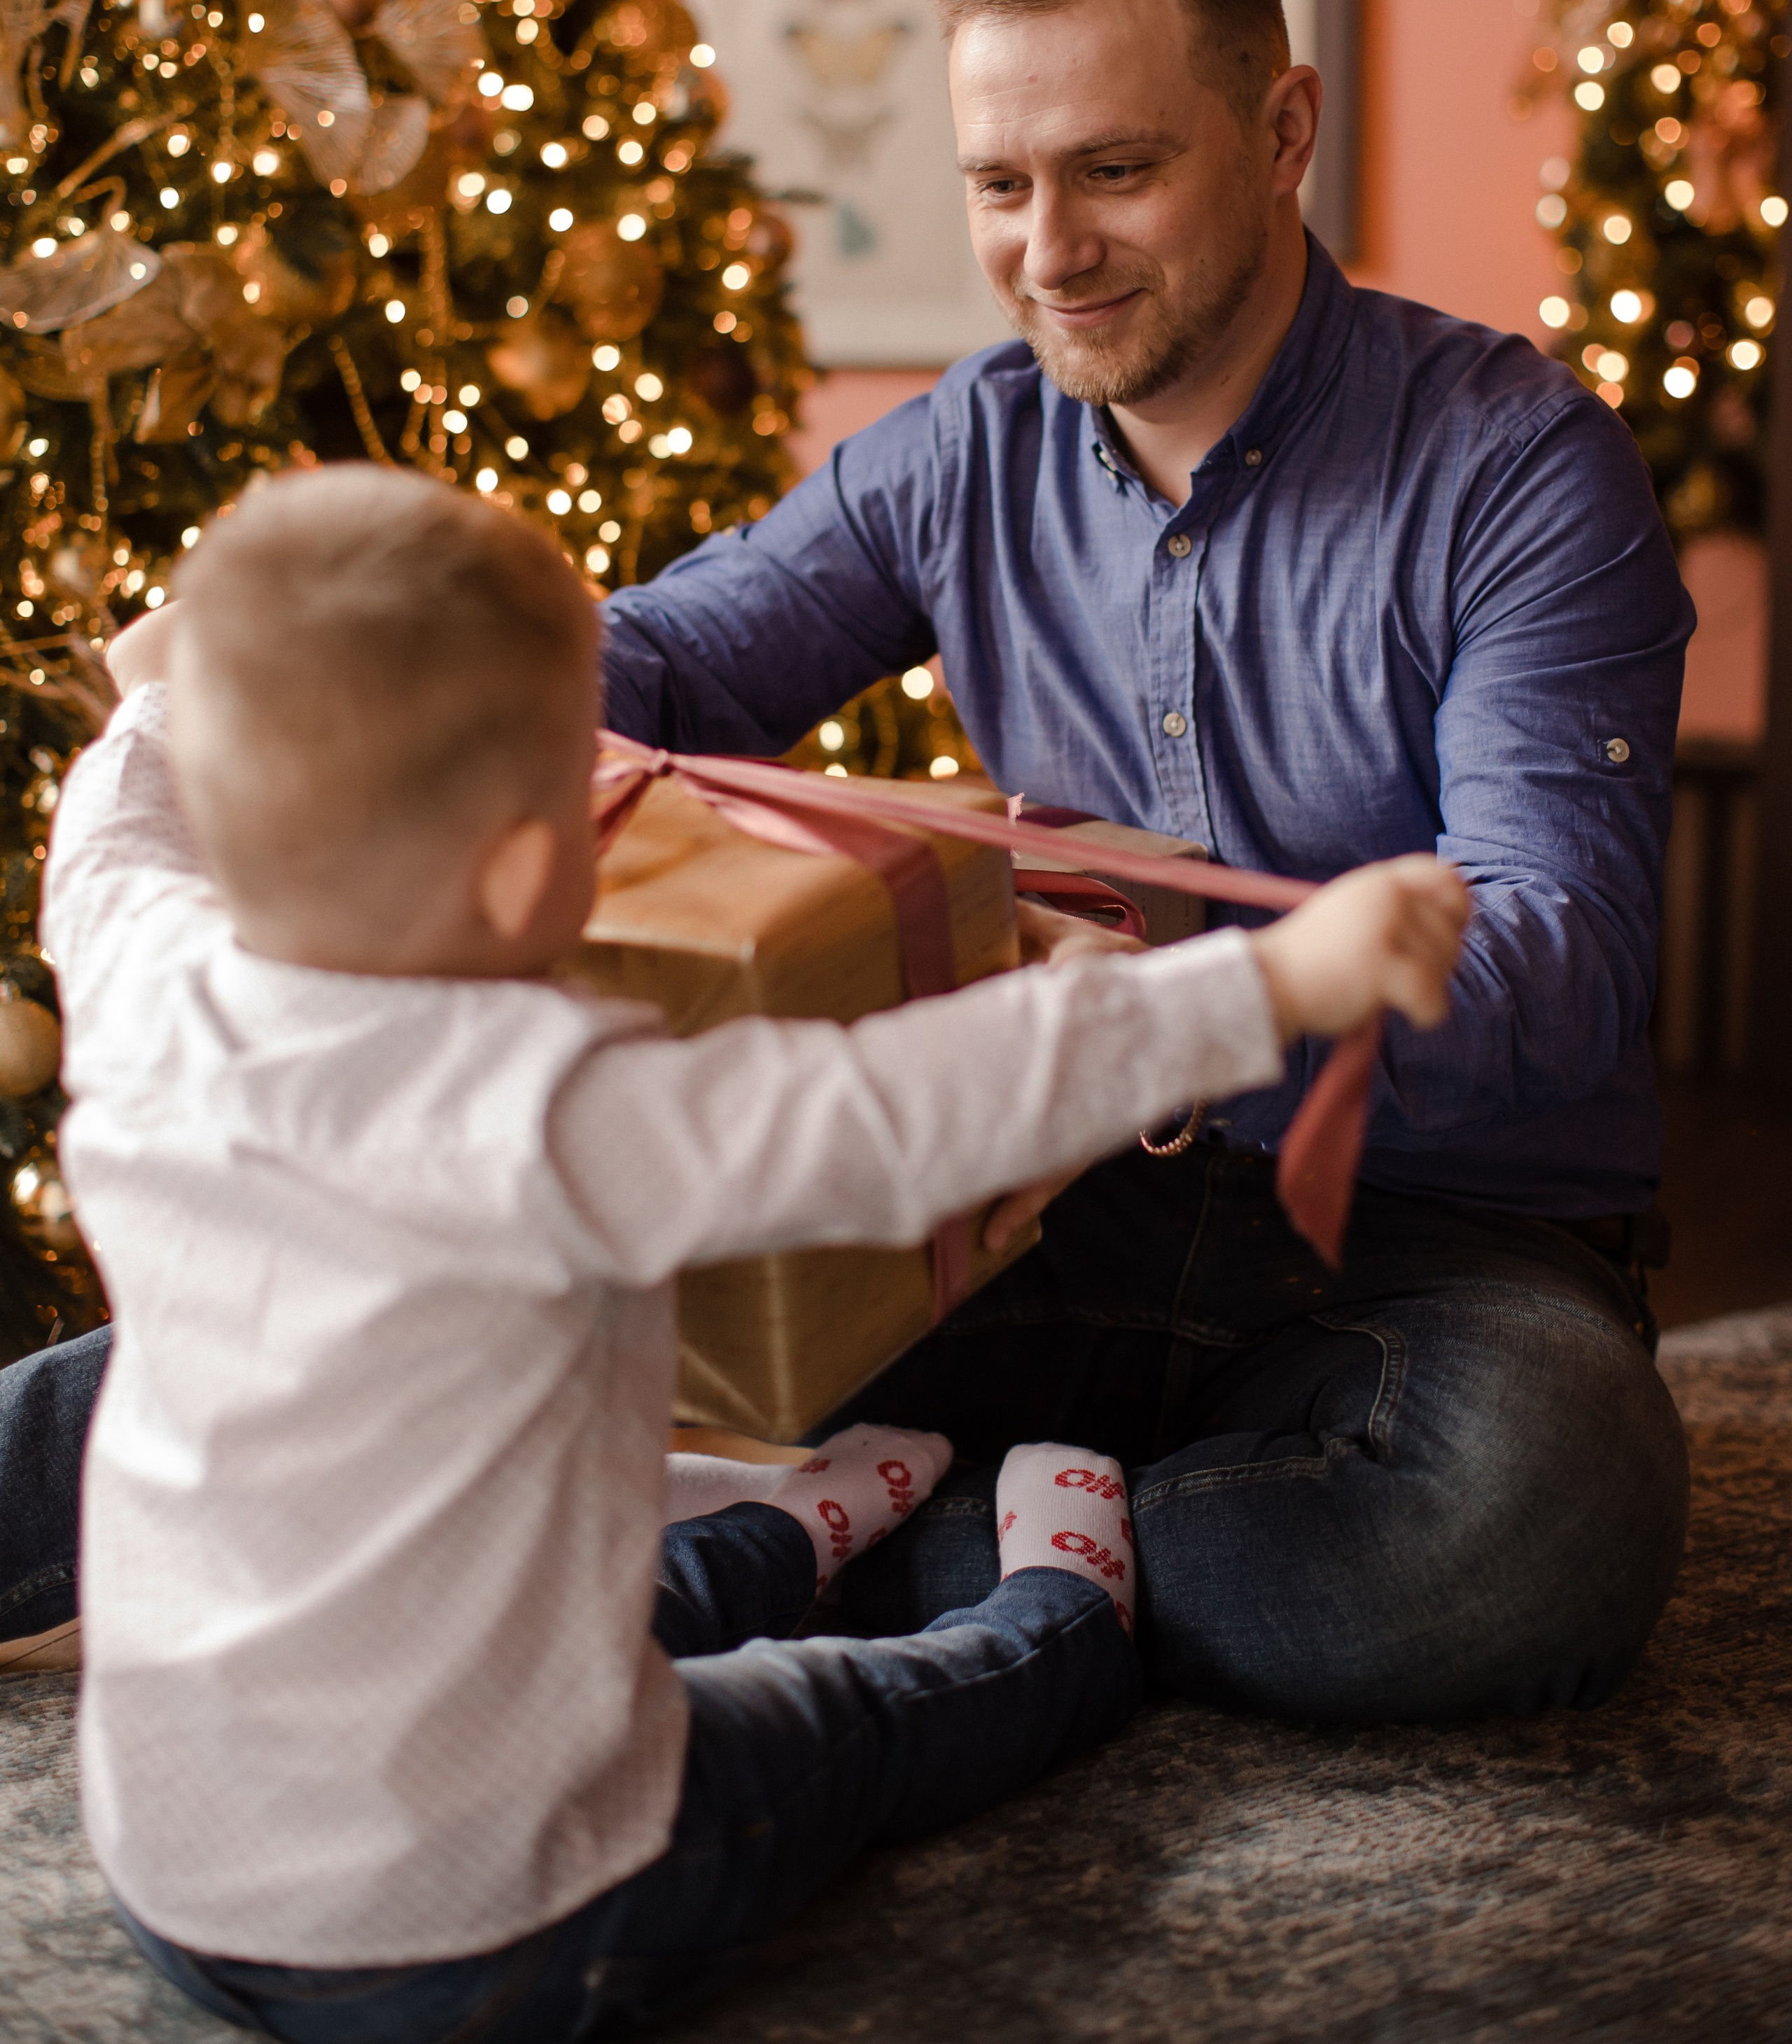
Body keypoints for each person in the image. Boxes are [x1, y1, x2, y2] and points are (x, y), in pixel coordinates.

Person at [47, 463, 1462, 2038]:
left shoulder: (141, 969)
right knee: (828, 1724)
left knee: (565, 1608)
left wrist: (163, 706)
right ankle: (1052, 1627)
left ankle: (787, 1535)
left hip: (172, 1865)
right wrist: (1265, 986)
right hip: (491, 1922)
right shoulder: (544, 1114)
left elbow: (105, 825)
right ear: (528, 870)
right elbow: (897, 1109)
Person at [598, 0, 1698, 1722]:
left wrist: (1156, 992)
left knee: (1536, 1523)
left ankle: (934, 1558)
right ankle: (1057, 1564)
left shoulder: (1521, 468)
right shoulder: (964, 445)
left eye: (1115, 171)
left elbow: (1559, 968)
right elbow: (662, 673)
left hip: (1429, 1255)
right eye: (998, 186)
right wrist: (357, 673)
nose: (1049, 251)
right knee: (576, 1335)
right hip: (1054, 1205)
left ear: (1284, 130)